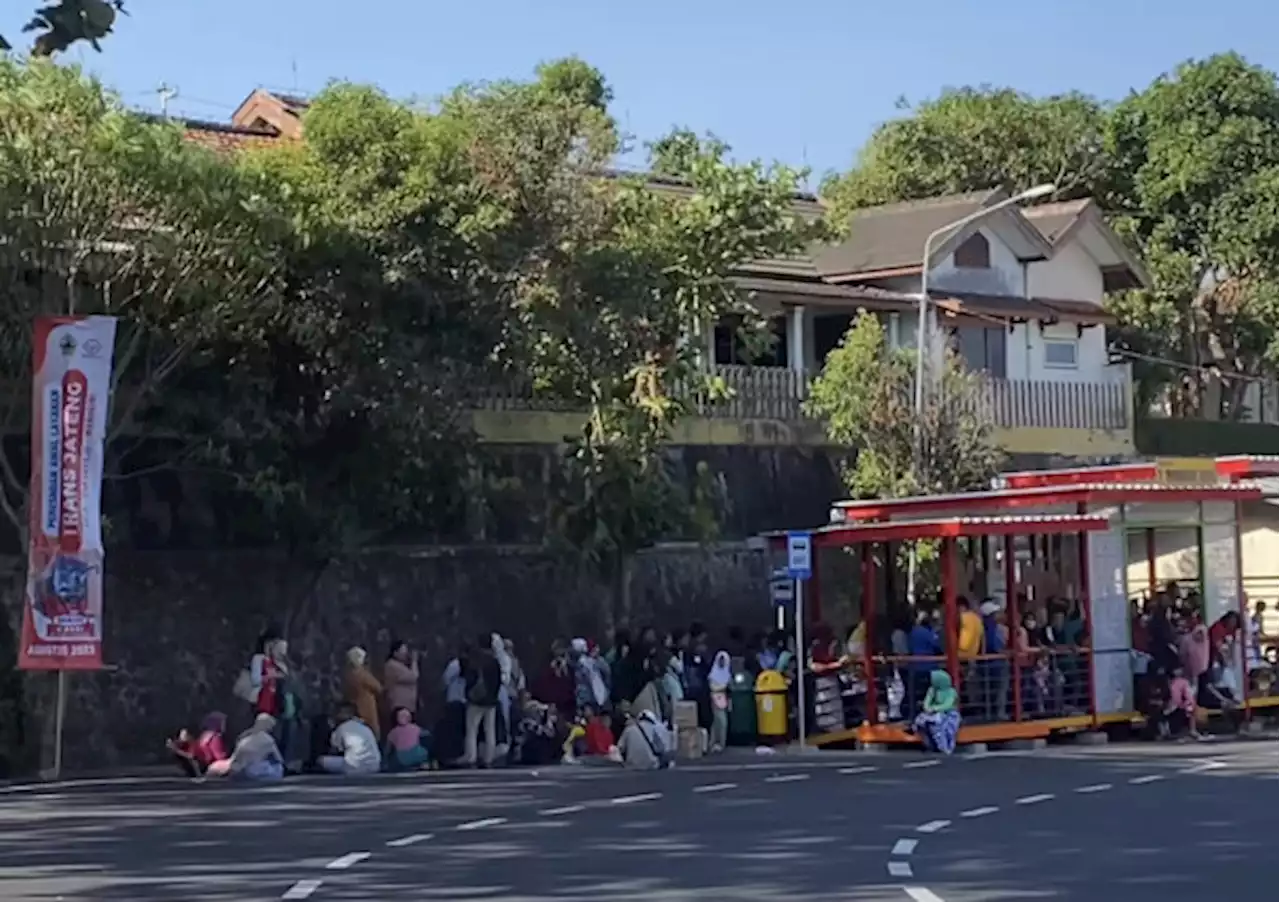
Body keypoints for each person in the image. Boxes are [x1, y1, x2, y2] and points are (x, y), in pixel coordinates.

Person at [462, 631, 502, 768]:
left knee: (472, 730)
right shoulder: (495, 661)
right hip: (491, 700)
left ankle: (471, 756)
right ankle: (488, 758)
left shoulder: (476, 660)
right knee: (490, 730)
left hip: (476, 700)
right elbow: (498, 681)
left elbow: (469, 677)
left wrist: (468, 693)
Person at [319, 703, 382, 775]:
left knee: (321, 760)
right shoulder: (364, 727)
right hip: (375, 766)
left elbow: (334, 750)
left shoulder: (341, 728)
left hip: (354, 766)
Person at [912, 670, 960, 755]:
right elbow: (927, 702)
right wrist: (928, 708)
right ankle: (929, 743)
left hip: (949, 714)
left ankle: (944, 746)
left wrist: (935, 708)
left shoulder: (951, 692)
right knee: (921, 721)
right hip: (933, 713)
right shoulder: (932, 690)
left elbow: (948, 704)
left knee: (943, 725)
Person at [224, 714, 285, 781]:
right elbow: (279, 759)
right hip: (252, 772)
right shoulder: (267, 739)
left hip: (236, 771)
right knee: (278, 767)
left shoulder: (243, 735)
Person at [167, 712, 230, 777]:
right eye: (222, 722)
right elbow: (220, 757)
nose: (224, 725)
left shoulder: (204, 736)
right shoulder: (214, 737)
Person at [344, 646, 384, 741]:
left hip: (353, 707)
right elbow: (378, 688)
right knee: (372, 733)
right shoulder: (362, 674)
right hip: (367, 706)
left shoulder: (348, 674)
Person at [383, 639, 420, 725]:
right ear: (395, 652)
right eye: (403, 651)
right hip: (400, 706)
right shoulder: (392, 665)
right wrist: (414, 661)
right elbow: (413, 677)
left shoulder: (402, 666)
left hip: (409, 706)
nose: (406, 653)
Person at [383, 706, 430, 771]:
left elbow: (387, 749)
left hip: (401, 757)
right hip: (417, 754)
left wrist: (385, 762)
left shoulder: (392, 732)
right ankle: (425, 763)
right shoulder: (415, 728)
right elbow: (426, 734)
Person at [707, 650, 732, 753]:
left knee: (718, 721)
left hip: (724, 698)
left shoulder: (727, 674)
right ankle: (718, 742)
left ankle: (716, 742)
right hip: (715, 697)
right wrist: (722, 688)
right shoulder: (713, 674)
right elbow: (713, 687)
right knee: (721, 721)